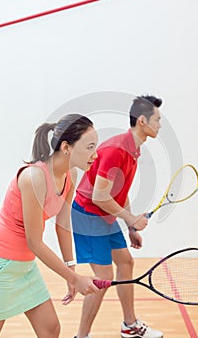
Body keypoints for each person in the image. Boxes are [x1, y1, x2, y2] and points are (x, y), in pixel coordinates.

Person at [0, 114, 100, 338]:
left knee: (50, 329)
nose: (95, 154)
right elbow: (34, 241)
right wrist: (74, 280)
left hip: (25, 267)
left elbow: (62, 224)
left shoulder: (71, 174)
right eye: (89, 147)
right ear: (67, 147)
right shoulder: (34, 178)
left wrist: (71, 268)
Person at [71, 95, 164, 338]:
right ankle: (81, 336)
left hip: (106, 216)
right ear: (142, 121)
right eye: (157, 119)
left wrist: (129, 224)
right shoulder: (116, 150)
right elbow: (99, 197)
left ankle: (129, 325)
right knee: (103, 277)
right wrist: (132, 219)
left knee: (126, 263)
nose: (160, 125)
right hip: (89, 215)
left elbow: (118, 192)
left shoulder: (133, 149)